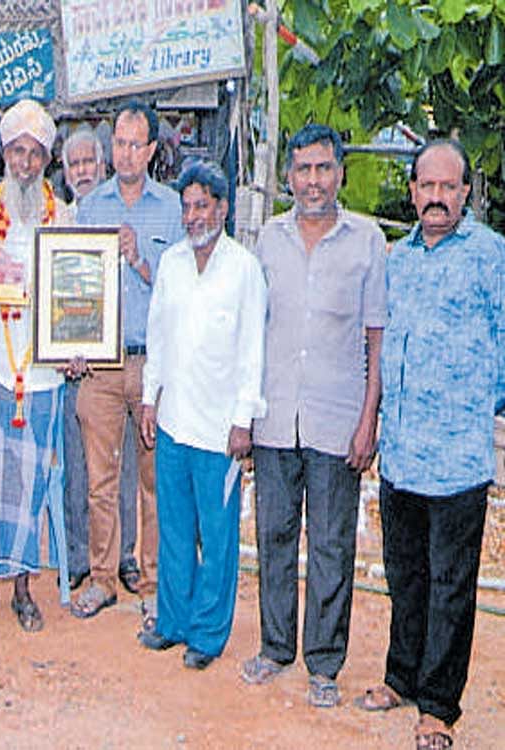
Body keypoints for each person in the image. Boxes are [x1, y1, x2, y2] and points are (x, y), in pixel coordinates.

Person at [356, 140, 504, 750]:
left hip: (461, 456)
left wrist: (480, 401)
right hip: (404, 452)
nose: (437, 198)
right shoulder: (398, 259)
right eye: (426, 186)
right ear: (412, 191)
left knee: (452, 584)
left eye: (449, 187)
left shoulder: (492, 256)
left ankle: (439, 706)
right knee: (406, 576)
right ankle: (401, 676)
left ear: (466, 192)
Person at [242, 124, 385, 708]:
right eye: (302, 169)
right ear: (290, 176)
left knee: (329, 543)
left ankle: (324, 663)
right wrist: (245, 411)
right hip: (275, 415)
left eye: (323, 168)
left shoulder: (367, 241)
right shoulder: (268, 240)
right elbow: (252, 330)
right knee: (274, 535)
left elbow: (377, 337)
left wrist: (368, 419)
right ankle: (276, 647)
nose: (312, 180)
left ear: (340, 174)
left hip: (335, 418)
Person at [0, 98, 74, 632]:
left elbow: (78, 296)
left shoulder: (65, 218)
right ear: (3, 155)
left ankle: (24, 588)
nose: (24, 163)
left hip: (44, 375)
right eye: (16, 152)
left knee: (29, 483)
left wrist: (78, 345)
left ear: (47, 160)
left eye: (35, 154)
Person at [138, 160, 266, 670]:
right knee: (173, 529)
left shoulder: (244, 269)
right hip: (173, 422)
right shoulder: (170, 263)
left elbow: (252, 348)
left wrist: (244, 419)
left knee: (216, 538)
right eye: (187, 207)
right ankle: (171, 622)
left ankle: (208, 636)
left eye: (202, 206)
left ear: (223, 209)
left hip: (219, 431)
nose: (193, 216)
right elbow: (158, 337)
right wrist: (150, 398)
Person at [72, 100, 183, 619]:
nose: (126, 153)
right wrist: (69, 340)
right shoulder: (91, 208)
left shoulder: (174, 209)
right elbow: (71, 285)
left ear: (153, 150)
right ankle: (102, 578)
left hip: (153, 362)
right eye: (119, 143)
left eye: (136, 144)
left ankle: (156, 580)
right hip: (100, 365)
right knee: (100, 479)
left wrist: (140, 259)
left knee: (155, 478)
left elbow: (184, 291)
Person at [59, 126, 141, 593]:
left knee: (124, 464)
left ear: (103, 165)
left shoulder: (115, 213)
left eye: (90, 161)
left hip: (120, 362)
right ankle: (79, 558)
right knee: (79, 468)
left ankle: (125, 556)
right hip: (76, 364)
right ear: (65, 173)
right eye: (75, 164)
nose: (84, 170)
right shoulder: (61, 220)